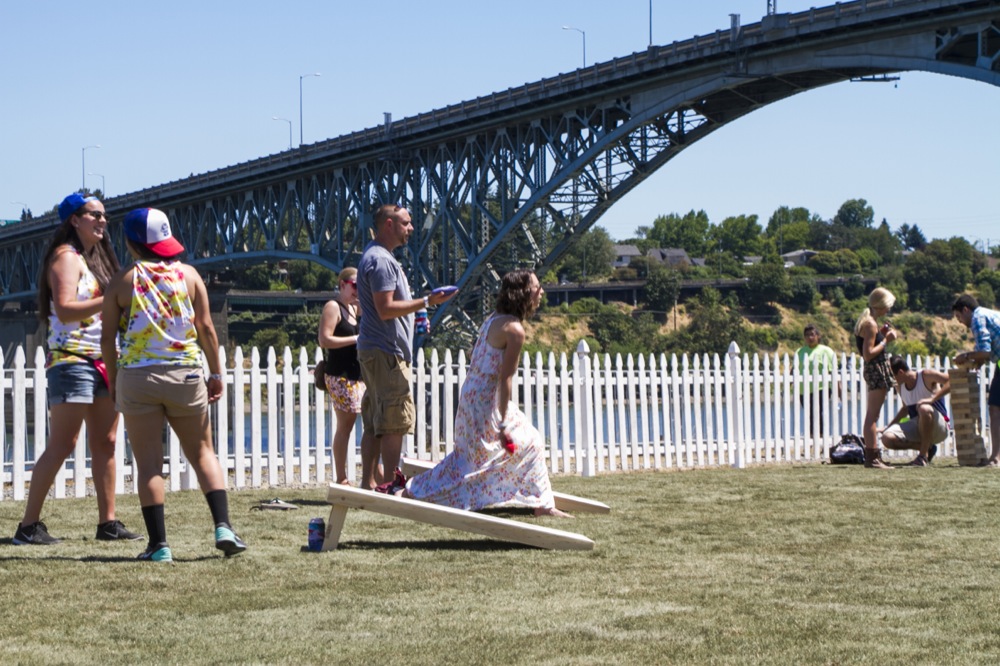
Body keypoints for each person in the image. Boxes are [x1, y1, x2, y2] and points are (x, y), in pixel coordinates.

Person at [100, 207, 246, 562]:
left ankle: (159, 545)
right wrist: (216, 373)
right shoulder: (190, 276)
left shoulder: (123, 281)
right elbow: (207, 328)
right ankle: (224, 527)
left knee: (149, 465)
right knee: (203, 453)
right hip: (186, 374)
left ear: (132, 243)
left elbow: (107, 339)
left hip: (139, 376)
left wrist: (115, 379)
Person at [13, 193, 142, 545]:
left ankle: (108, 523)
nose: (102, 220)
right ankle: (28, 526)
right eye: (94, 214)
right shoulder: (65, 257)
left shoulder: (95, 258)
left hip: (103, 359)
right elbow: (67, 309)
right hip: (72, 360)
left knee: (107, 442)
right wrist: (112, 297)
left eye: (104, 215)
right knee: (64, 443)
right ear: (74, 219)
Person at [392, 269, 570, 518]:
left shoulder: (494, 319)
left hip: (472, 397)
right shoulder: (514, 330)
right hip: (486, 402)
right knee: (521, 446)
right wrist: (503, 422)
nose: (541, 292)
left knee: (473, 458)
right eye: (537, 287)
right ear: (522, 293)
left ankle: (541, 502)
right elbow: (505, 378)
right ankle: (413, 491)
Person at [355, 204, 457, 489]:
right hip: (386, 352)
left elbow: (383, 308)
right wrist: (427, 301)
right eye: (406, 223)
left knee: (374, 421)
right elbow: (385, 309)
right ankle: (391, 484)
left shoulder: (374, 255)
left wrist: (415, 316)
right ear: (389, 224)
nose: (411, 228)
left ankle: (369, 483)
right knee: (393, 421)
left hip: (374, 348)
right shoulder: (382, 261)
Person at [318, 267, 364, 485]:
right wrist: (355, 339)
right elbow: (324, 340)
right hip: (340, 374)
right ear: (342, 284)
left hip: (356, 375)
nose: (358, 290)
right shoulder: (333, 307)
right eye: (355, 285)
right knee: (345, 424)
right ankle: (341, 476)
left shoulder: (354, 308)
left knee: (355, 423)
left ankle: (364, 473)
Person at [951, 294, 1000, 467]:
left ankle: (996, 457)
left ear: (966, 310)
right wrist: (978, 360)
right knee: (995, 408)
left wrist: (965, 356)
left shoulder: (977, 319)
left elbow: (985, 352)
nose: (959, 321)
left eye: (959, 316)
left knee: (995, 409)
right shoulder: (989, 313)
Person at [854, 287, 898, 469]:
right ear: (880, 306)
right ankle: (872, 457)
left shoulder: (868, 322)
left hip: (874, 370)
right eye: (887, 306)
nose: (889, 310)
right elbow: (868, 354)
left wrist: (882, 333)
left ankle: (873, 456)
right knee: (872, 416)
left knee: (873, 414)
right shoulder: (870, 324)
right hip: (876, 369)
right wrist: (886, 340)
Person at [881, 355, 950, 466]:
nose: (889, 380)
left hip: (939, 428)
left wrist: (932, 399)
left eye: (891, 376)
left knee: (924, 408)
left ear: (900, 372)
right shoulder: (900, 386)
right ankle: (927, 448)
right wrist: (888, 427)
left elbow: (951, 380)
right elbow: (905, 409)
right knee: (886, 438)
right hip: (919, 427)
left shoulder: (926, 375)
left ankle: (922, 456)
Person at [795, 324, 839, 437]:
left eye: (812, 334)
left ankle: (820, 436)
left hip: (821, 388)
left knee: (818, 413)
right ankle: (811, 436)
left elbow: (833, 372)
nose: (810, 337)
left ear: (818, 336)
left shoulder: (826, 351)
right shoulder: (800, 352)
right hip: (804, 390)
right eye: (807, 335)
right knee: (809, 414)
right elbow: (794, 369)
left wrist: (839, 390)